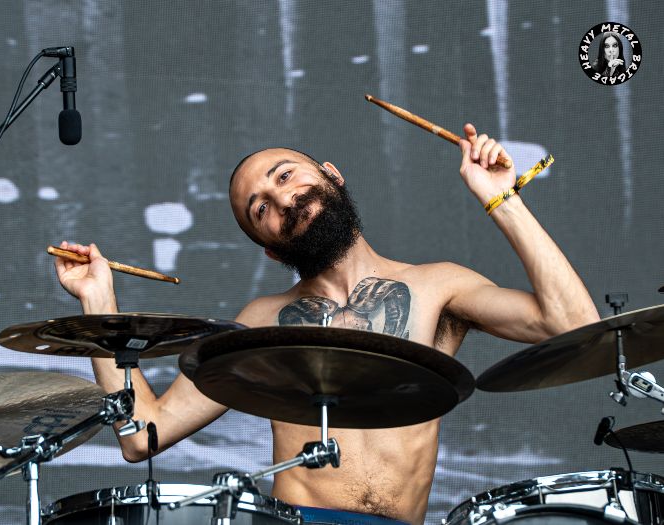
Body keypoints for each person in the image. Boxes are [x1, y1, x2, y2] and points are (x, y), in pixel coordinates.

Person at [54, 124, 599, 525]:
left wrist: (501, 196)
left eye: (285, 175)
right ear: (270, 249)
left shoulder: (439, 286)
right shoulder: (259, 322)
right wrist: (98, 300)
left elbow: (574, 325)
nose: (282, 198)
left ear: (331, 176)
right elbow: (142, 436)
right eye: (260, 209)